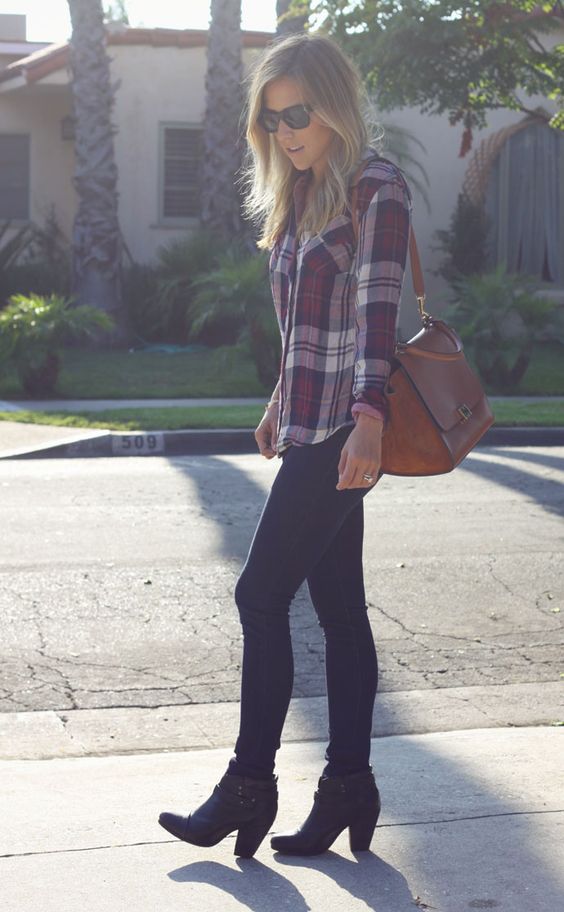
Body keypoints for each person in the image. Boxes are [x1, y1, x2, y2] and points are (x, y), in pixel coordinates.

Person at [159, 31, 412, 859]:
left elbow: (375, 314)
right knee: (338, 612)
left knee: (258, 597)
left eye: (298, 113)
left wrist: (370, 416)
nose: (286, 132)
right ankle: (348, 786)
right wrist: (278, 398)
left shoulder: (377, 188)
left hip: (347, 425)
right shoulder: (302, 194)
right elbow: (306, 324)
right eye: (272, 121)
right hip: (311, 419)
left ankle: (248, 786)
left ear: (333, 105)